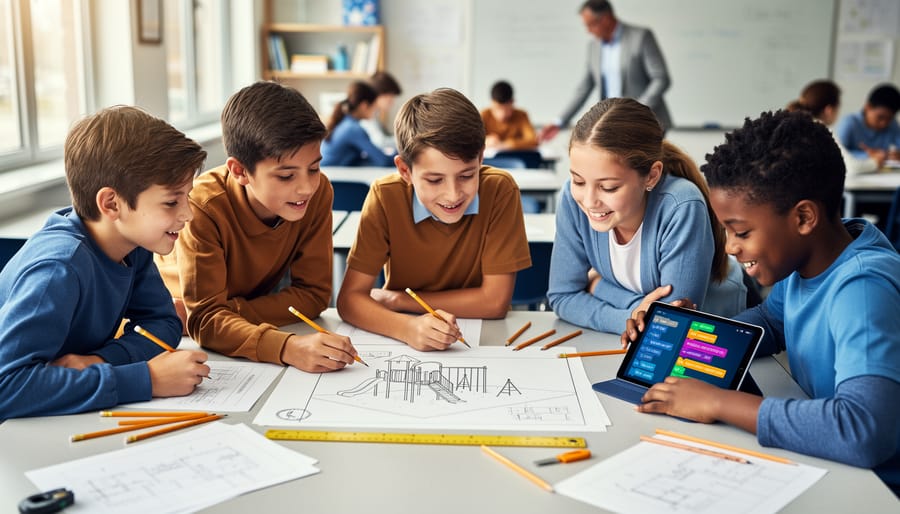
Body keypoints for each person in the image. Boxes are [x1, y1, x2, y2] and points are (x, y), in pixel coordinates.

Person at [624, 110, 900, 495]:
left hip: (875, 488)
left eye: (741, 232)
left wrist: (719, 403)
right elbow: (772, 321)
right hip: (829, 461)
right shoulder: (810, 261)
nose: (731, 247)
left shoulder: (862, 288)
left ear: (804, 217)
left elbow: (862, 430)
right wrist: (697, 331)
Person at [0, 106, 210, 419]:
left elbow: (163, 324)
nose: (188, 214)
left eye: (187, 197)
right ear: (111, 204)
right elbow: (7, 387)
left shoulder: (133, 246)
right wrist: (147, 379)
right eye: (172, 201)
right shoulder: (58, 269)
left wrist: (99, 361)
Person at [156, 81, 360, 373]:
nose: (306, 187)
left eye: (314, 168)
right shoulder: (202, 206)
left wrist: (230, 313)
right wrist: (287, 347)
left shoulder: (318, 193)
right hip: (175, 332)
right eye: (287, 176)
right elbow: (206, 322)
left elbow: (314, 295)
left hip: (226, 323)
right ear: (239, 171)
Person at [336, 88, 532, 351]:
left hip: (480, 340)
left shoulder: (499, 190)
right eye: (434, 180)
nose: (452, 194)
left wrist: (399, 301)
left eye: (466, 175)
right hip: (403, 338)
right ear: (405, 170)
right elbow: (349, 300)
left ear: (481, 159)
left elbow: (495, 302)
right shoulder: (386, 196)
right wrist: (406, 327)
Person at [548, 97, 745, 334]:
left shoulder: (681, 206)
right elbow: (562, 296)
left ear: (651, 176)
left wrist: (598, 285)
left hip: (713, 338)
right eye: (579, 181)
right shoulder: (572, 198)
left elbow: (670, 322)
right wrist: (631, 315)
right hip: (637, 339)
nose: (589, 201)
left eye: (609, 187)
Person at [539, 0, 671, 142]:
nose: (588, 31)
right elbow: (583, 89)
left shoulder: (641, 37)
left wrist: (636, 110)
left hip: (645, 123)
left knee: (640, 164)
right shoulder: (593, 46)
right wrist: (559, 121)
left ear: (606, 19)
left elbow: (661, 79)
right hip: (613, 125)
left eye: (591, 25)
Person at [787, 79, 880, 174]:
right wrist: (876, 162)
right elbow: (852, 167)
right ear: (829, 110)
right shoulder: (821, 131)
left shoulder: (793, 125)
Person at [321, 80, 395, 167]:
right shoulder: (353, 129)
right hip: (335, 176)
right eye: (374, 106)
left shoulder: (346, 123)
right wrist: (400, 154)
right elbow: (383, 161)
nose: (375, 111)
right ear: (364, 106)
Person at [835, 83, 900, 165]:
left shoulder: (893, 124)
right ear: (867, 107)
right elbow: (837, 153)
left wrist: (897, 155)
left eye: (889, 118)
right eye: (880, 117)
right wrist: (867, 155)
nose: (884, 123)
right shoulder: (849, 123)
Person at [481, 80, 538, 151]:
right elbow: (472, 140)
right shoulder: (484, 115)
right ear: (492, 103)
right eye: (498, 108)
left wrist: (507, 144)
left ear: (512, 102)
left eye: (506, 109)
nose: (502, 114)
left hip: (515, 158)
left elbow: (534, 140)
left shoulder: (521, 115)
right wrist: (485, 141)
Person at [361, 71, 403, 148]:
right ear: (378, 94)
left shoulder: (375, 115)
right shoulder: (366, 116)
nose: (392, 102)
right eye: (390, 96)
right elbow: (380, 143)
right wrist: (408, 139)